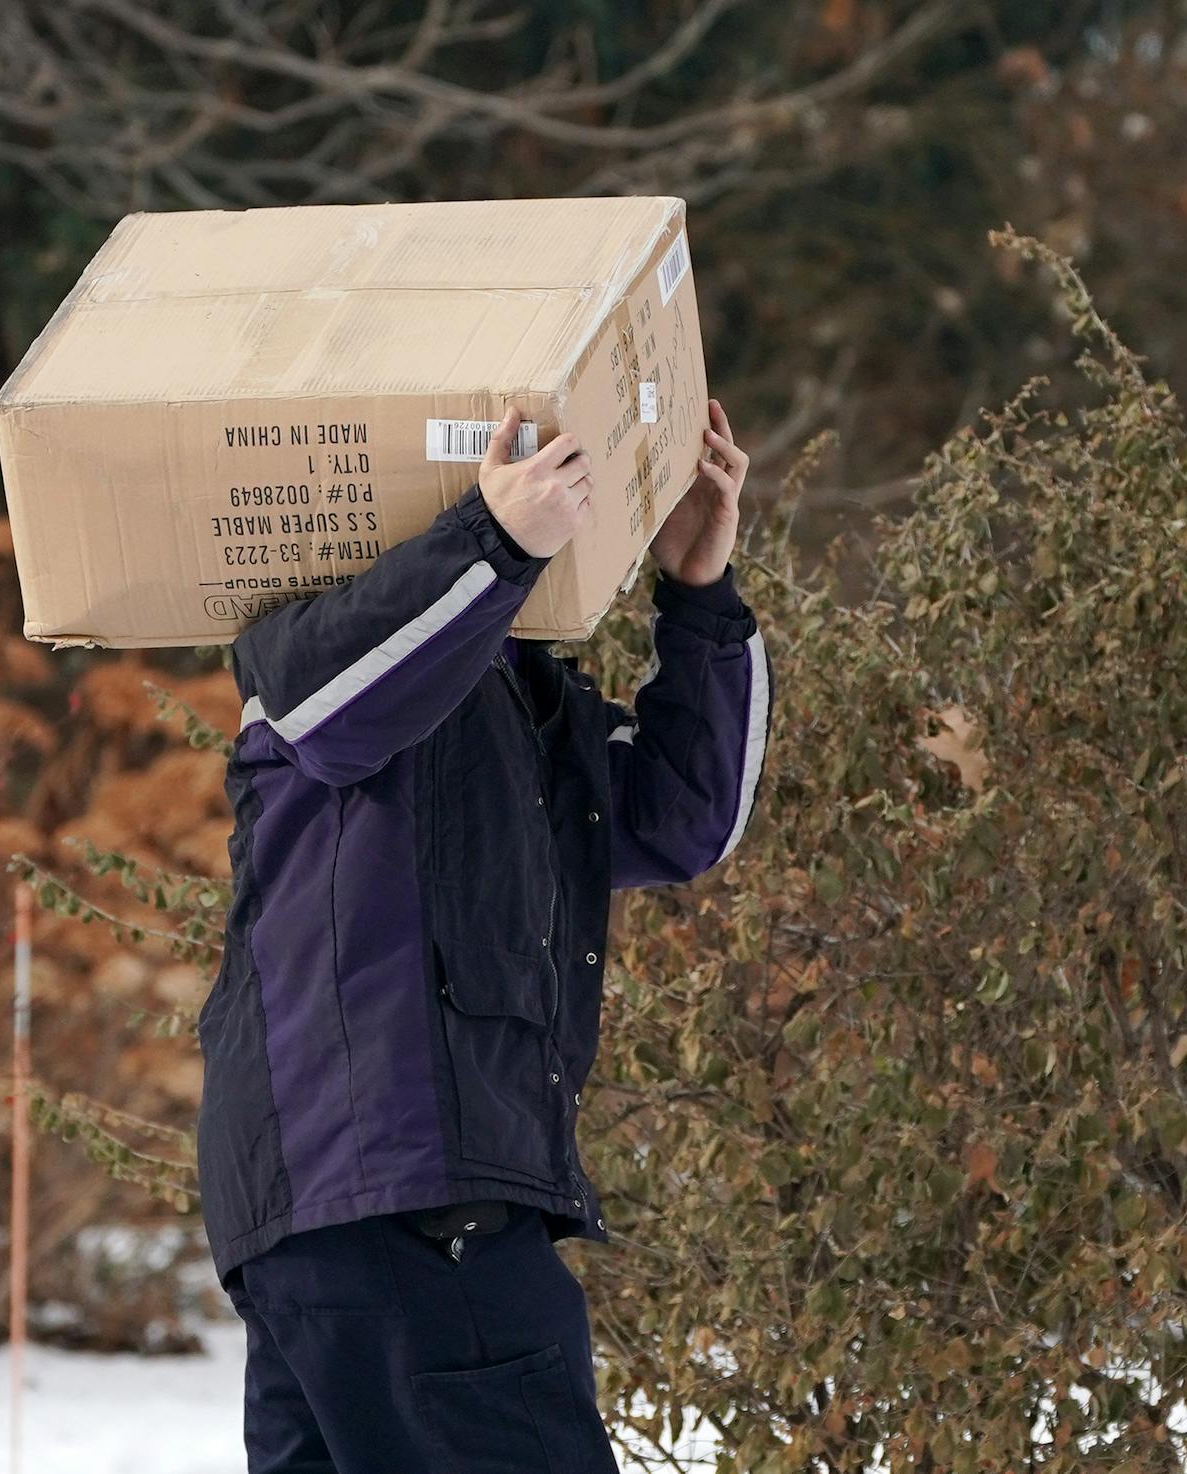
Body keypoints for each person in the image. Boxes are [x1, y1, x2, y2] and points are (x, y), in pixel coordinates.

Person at [196, 397, 773, 1473]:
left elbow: (684, 819)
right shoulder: (311, 650)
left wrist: (697, 594)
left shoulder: (529, 706)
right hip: (408, 1201)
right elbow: (334, 715)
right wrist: (491, 539)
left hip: (347, 1227)